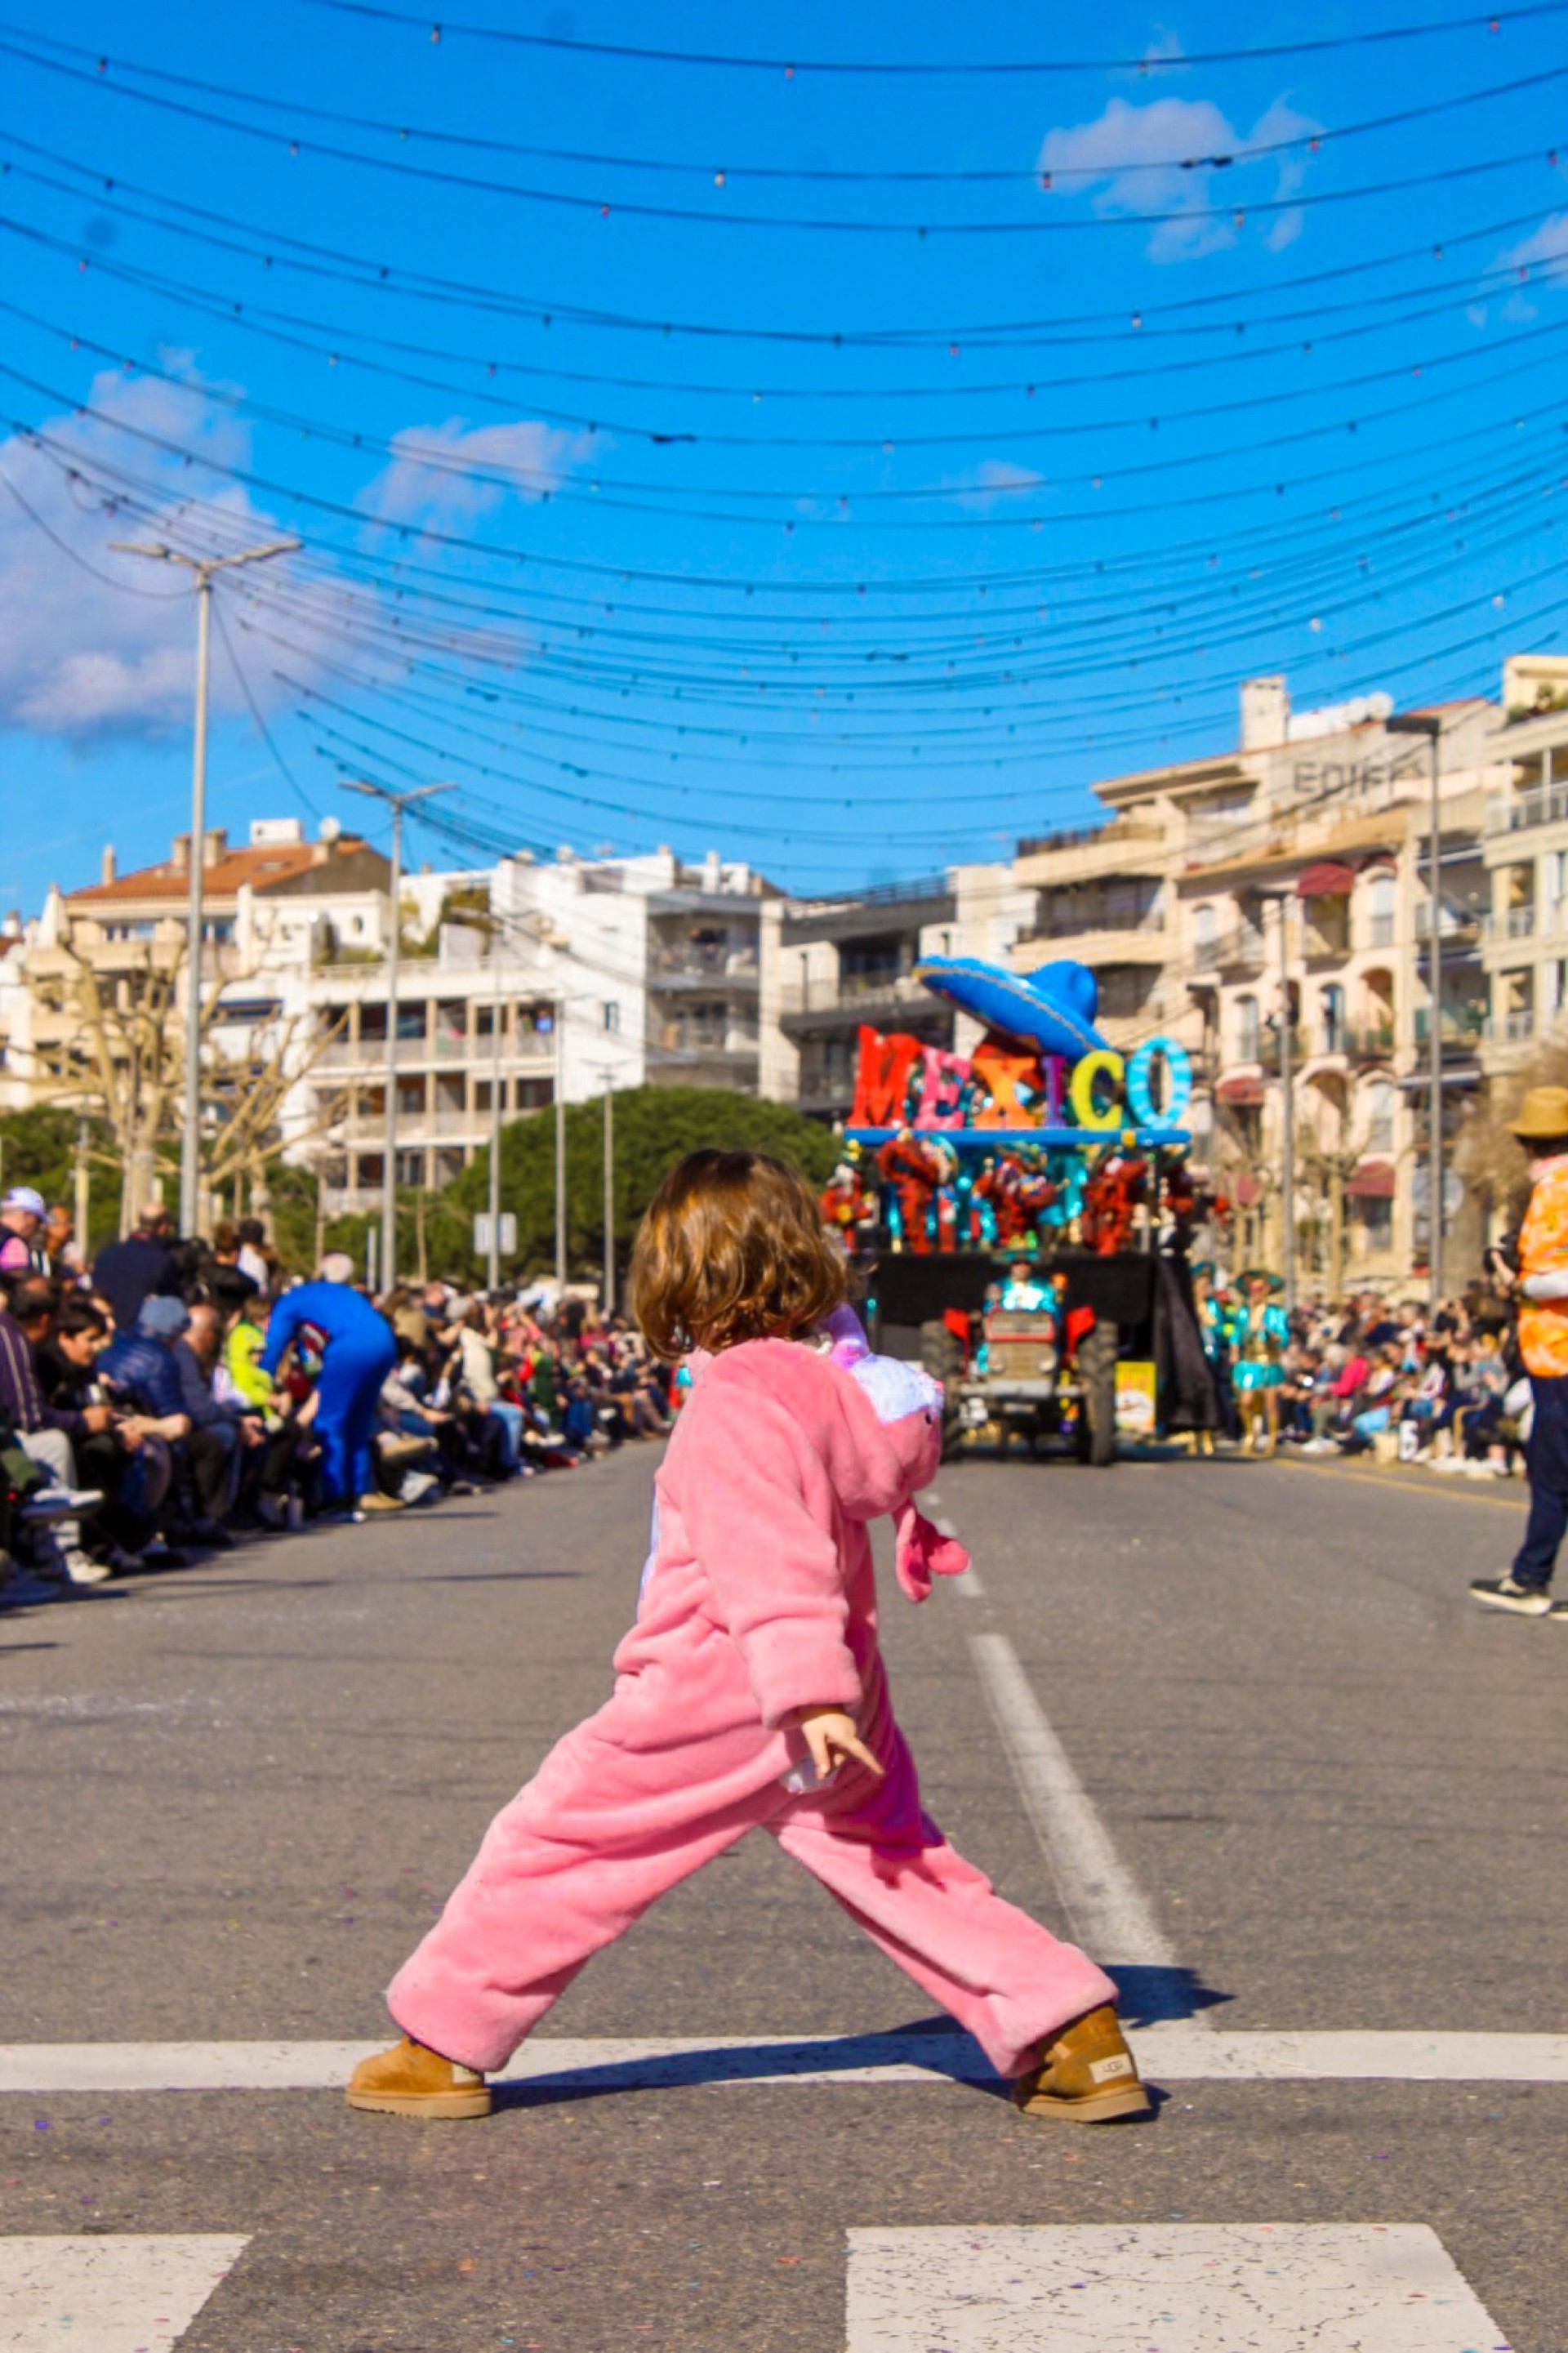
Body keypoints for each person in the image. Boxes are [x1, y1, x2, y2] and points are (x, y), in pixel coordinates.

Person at [346, 1148, 1146, 2126]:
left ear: (684, 1271)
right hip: (831, 1687)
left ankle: (442, 2043)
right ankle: (1074, 2033)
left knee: (558, 1843)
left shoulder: (740, 1394)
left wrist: (801, 1688)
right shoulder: (827, 1380)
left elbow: (768, 1553)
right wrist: (824, 1689)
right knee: (900, 1860)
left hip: (726, 1682)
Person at [1471, 1085, 1568, 1615]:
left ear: (1532, 1145)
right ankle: (1532, 1572)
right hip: (1550, 1354)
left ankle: (1531, 1578)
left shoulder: (1558, 1191)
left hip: (1559, 1354)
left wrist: (1519, 1284)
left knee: (1553, 1471)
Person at [260, 1255, 401, 1515]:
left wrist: (261, 1382)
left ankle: (335, 1495)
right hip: (385, 1343)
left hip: (350, 1347)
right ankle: (359, 1490)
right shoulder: (348, 1293)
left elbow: (273, 1346)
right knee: (358, 1420)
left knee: (330, 1422)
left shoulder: (292, 1299)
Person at [92, 1202, 184, 1335]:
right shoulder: (163, 1261)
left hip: (107, 1334)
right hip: (142, 1336)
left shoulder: (107, 1254)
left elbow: (96, 1293)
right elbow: (171, 1304)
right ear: (164, 1226)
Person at [0, 1187, 50, 1277]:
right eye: (38, 1221)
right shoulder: (14, 1245)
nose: (38, 1228)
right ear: (27, 1216)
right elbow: (18, 1286)